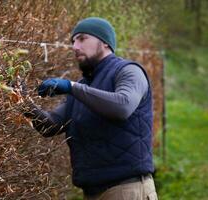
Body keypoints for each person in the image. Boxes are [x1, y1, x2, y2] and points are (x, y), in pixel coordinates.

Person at [22, 17, 158, 200]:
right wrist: (20, 100)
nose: (75, 47)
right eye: (73, 41)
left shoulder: (128, 72)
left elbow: (122, 106)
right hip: (93, 193)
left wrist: (71, 87)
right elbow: (50, 125)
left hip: (127, 191)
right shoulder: (83, 86)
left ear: (105, 42)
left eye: (82, 39)